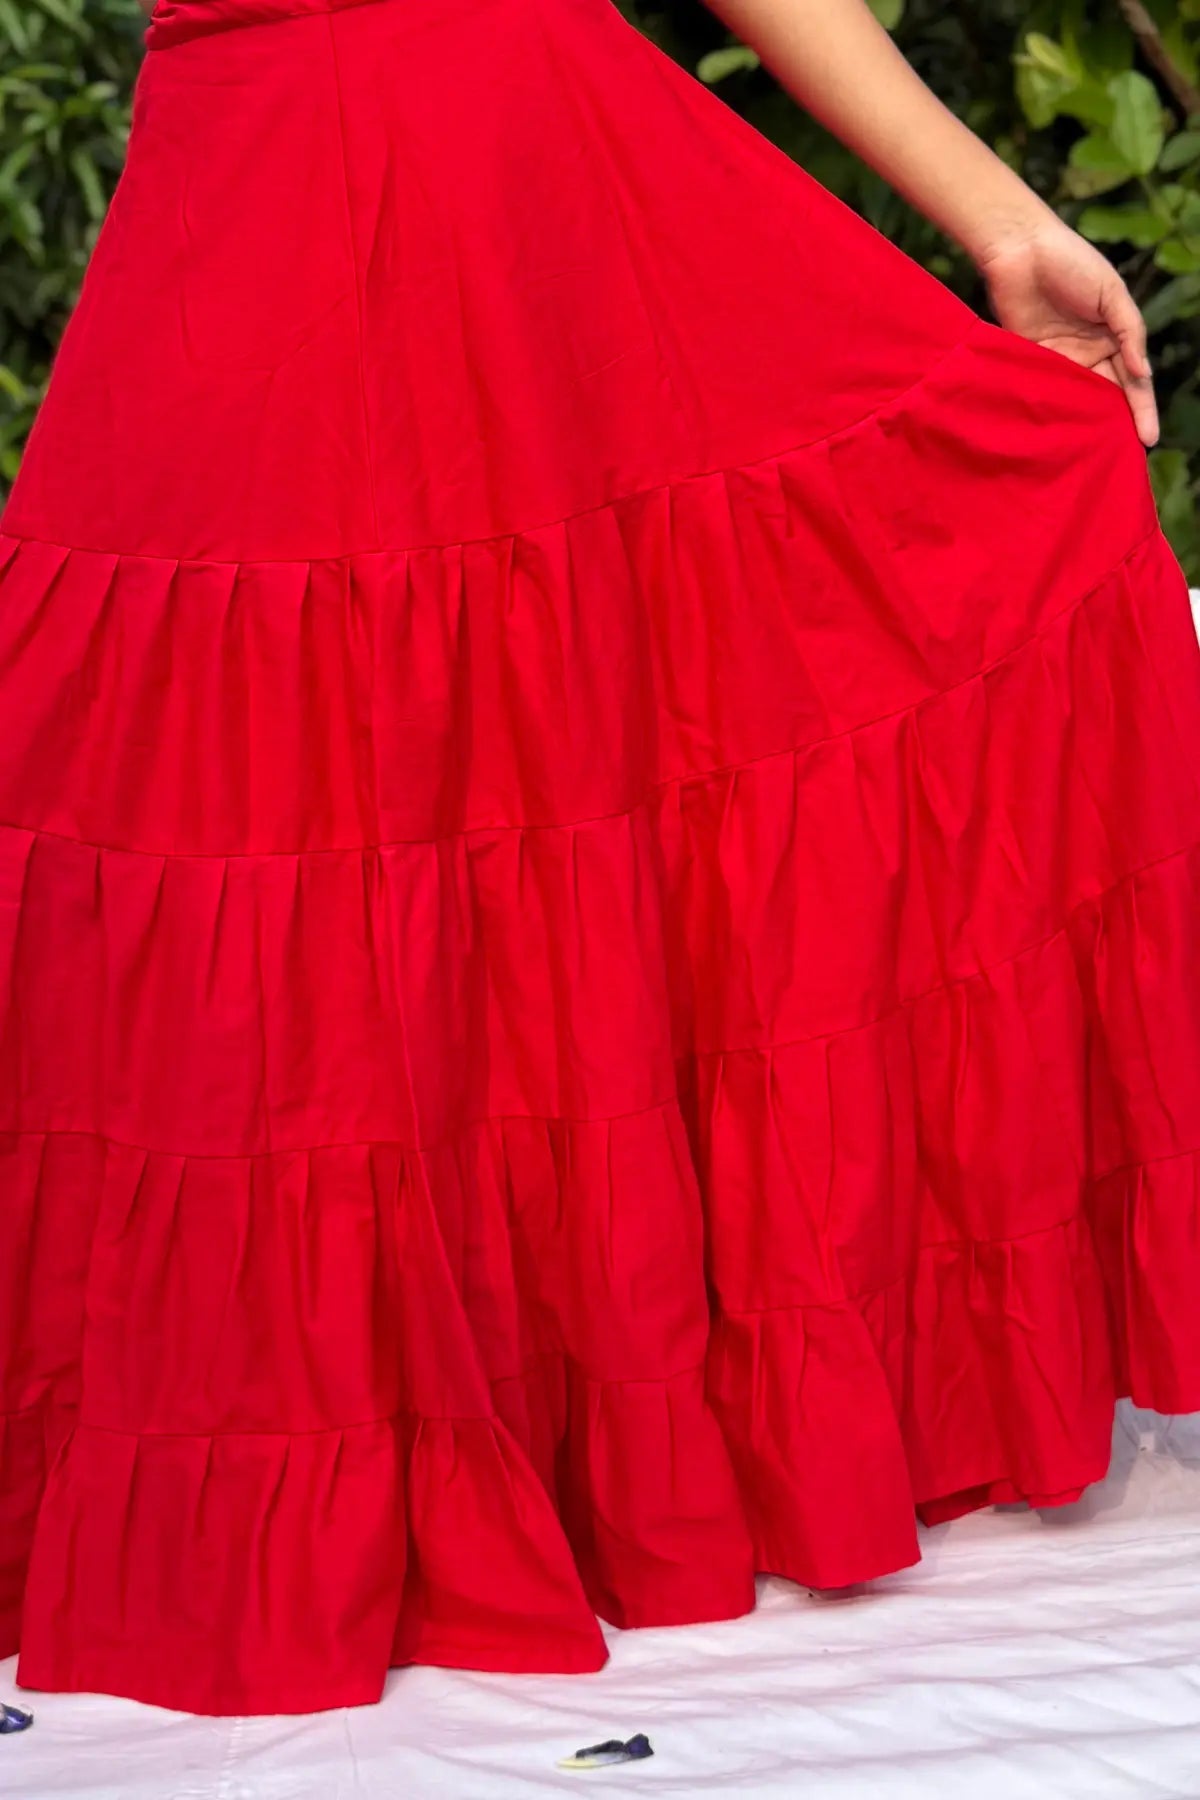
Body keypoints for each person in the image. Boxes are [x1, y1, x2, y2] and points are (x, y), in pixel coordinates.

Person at [1, 0, 1197, 1719]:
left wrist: (999, 219)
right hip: (260, 188)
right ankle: (373, 1460)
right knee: (221, 806)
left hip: (543, 170)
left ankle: (628, 1430)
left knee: (612, 743)